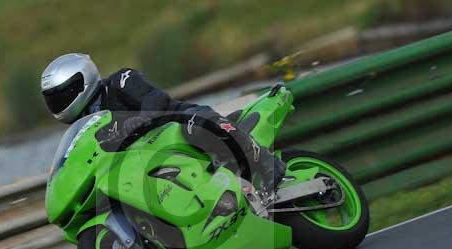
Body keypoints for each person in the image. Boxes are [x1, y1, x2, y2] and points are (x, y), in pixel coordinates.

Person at [40, 53, 285, 190]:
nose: (59, 102)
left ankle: (266, 162)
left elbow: (155, 98)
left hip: (178, 124)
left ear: (82, 82)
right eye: (53, 98)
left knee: (196, 125)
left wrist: (139, 120)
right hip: (152, 161)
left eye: (62, 94)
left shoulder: (120, 81)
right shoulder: (86, 127)